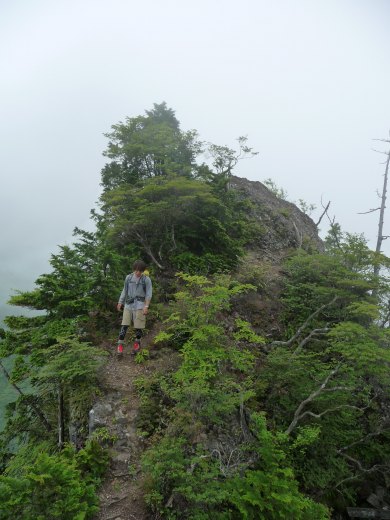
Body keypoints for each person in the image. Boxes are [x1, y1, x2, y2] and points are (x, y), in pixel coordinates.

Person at [116, 259, 152, 356]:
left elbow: (148, 294)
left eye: (140, 271)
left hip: (140, 305)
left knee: (138, 327)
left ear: (143, 270)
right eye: (136, 270)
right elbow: (124, 290)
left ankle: (137, 343)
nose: (138, 272)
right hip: (128, 305)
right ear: (134, 269)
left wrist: (146, 306)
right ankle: (120, 345)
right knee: (125, 325)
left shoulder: (146, 280)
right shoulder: (128, 278)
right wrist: (120, 302)